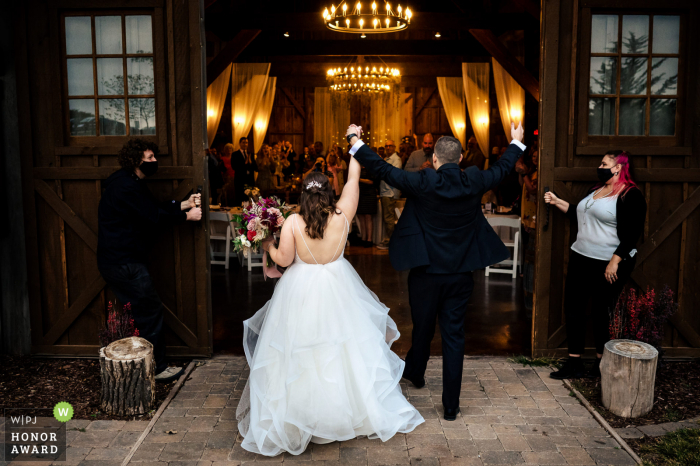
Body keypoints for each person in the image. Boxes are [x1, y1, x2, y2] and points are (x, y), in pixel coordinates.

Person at [236, 158, 424, 457]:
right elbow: (352, 182)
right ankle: (342, 411)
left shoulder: (294, 222)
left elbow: (283, 260)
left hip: (300, 290)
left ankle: (302, 416)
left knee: (299, 351)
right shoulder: (344, 214)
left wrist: (267, 245)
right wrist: (354, 152)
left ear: (303, 193)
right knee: (342, 349)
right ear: (329, 191)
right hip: (339, 285)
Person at [347, 122, 526, 420]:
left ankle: (416, 373)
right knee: (454, 335)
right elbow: (504, 167)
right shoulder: (474, 180)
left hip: (426, 272)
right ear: (458, 159)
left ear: (435, 159)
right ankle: (451, 406)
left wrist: (355, 140)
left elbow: (382, 169)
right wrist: (517, 142)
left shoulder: (424, 181)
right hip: (460, 274)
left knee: (424, 325)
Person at [97, 139, 202, 383]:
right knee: (148, 312)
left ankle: (145, 365)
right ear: (136, 160)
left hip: (122, 260)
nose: (155, 161)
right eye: (151, 157)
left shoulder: (129, 182)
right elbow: (152, 217)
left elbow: (151, 208)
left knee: (145, 312)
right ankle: (156, 368)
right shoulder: (125, 187)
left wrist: (181, 204)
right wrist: (186, 216)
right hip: (124, 263)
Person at [545, 151, 646, 380]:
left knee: (601, 311)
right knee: (573, 307)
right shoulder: (595, 190)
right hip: (580, 256)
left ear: (618, 167)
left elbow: (632, 233)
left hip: (607, 262)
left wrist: (614, 262)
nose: (599, 167)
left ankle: (600, 366)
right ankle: (574, 363)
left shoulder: (630, 195)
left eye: (604, 163)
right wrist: (556, 200)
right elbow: (579, 214)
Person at [377, 139, 402, 250]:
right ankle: (389, 240)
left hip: (390, 192)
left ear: (394, 147)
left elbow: (392, 175)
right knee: (387, 218)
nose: (387, 148)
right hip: (385, 191)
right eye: (386, 146)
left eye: (390, 146)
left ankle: (390, 241)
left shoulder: (396, 159)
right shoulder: (386, 159)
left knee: (389, 218)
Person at [231, 137, 257, 205]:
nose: (245, 144)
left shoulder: (250, 154)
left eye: (246, 143)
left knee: (249, 198)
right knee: (240, 197)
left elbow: (255, 167)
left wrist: (250, 162)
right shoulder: (235, 154)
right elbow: (234, 166)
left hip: (249, 179)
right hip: (240, 179)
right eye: (243, 142)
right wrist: (245, 163)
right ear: (240, 143)